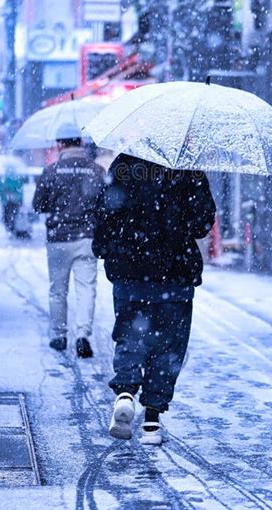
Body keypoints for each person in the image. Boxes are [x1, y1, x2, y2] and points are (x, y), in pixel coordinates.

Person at [92, 153, 216, 445]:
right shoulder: (187, 168)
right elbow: (202, 222)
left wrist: (106, 246)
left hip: (130, 271)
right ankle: (152, 419)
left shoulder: (125, 164)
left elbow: (104, 212)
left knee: (131, 334)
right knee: (168, 345)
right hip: (175, 273)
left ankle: (125, 391)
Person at [33, 123, 105, 357]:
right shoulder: (96, 171)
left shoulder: (50, 171)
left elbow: (38, 205)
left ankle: (59, 335)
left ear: (59, 144)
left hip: (58, 239)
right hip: (87, 237)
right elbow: (106, 205)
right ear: (81, 143)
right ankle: (83, 334)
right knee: (86, 289)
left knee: (57, 290)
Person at [0, 166, 25, 234]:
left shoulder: (4, 180)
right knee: (14, 215)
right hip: (15, 201)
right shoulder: (17, 180)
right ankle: (12, 228)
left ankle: (9, 228)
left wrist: (4, 195)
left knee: (7, 215)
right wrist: (20, 199)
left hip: (7, 201)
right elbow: (20, 191)